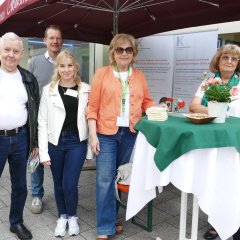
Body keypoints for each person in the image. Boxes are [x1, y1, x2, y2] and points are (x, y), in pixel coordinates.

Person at [87, 33, 155, 240]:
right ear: (112, 53)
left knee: (118, 177)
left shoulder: (139, 76)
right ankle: (104, 228)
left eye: (128, 49)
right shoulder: (102, 74)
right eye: (120, 49)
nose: (124, 53)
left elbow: (147, 102)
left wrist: (158, 109)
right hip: (105, 132)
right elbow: (92, 107)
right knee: (105, 179)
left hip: (129, 133)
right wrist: (92, 135)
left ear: (133, 53)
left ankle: (112, 219)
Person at [38, 49, 92, 237]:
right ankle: (62, 217)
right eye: (62, 66)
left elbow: (90, 119)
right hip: (55, 142)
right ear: (57, 68)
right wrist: (43, 152)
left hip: (76, 142)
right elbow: (42, 122)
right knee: (59, 183)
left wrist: (89, 151)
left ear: (76, 67)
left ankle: (73, 217)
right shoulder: (49, 90)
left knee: (70, 184)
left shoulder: (86, 89)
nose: (66, 69)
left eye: (70, 65)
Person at [189, 43, 240, 240]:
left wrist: (218, 112)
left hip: (235, 142)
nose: (229, 62)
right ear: (217, 61)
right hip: (213, 141)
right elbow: (194, 106)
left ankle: (234, 225)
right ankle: (219, 224)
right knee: (216, 182)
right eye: (225, 57)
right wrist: (217, 110)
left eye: (234, 59)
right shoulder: (208, 83)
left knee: (234, 183)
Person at [0, 32, 39, 239]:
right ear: (0, 51)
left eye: (15, 51)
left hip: (21, 138)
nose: (11, 55)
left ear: (22, 53)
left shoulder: (28, 78)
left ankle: (16, 222)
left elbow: (35, 112)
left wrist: (34, 142)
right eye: (7, 50)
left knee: (20, 185)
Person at [28, 24, 63, 214]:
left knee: (58, 159)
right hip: (37, 121)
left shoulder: (66, 61)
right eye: (51, 38)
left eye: (58, 38)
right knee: (35, 158)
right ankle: (36, 195)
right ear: (45, 40)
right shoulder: (34, 62)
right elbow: (30, 90)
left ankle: (61, 194)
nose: (55, 41)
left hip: (60, 121)